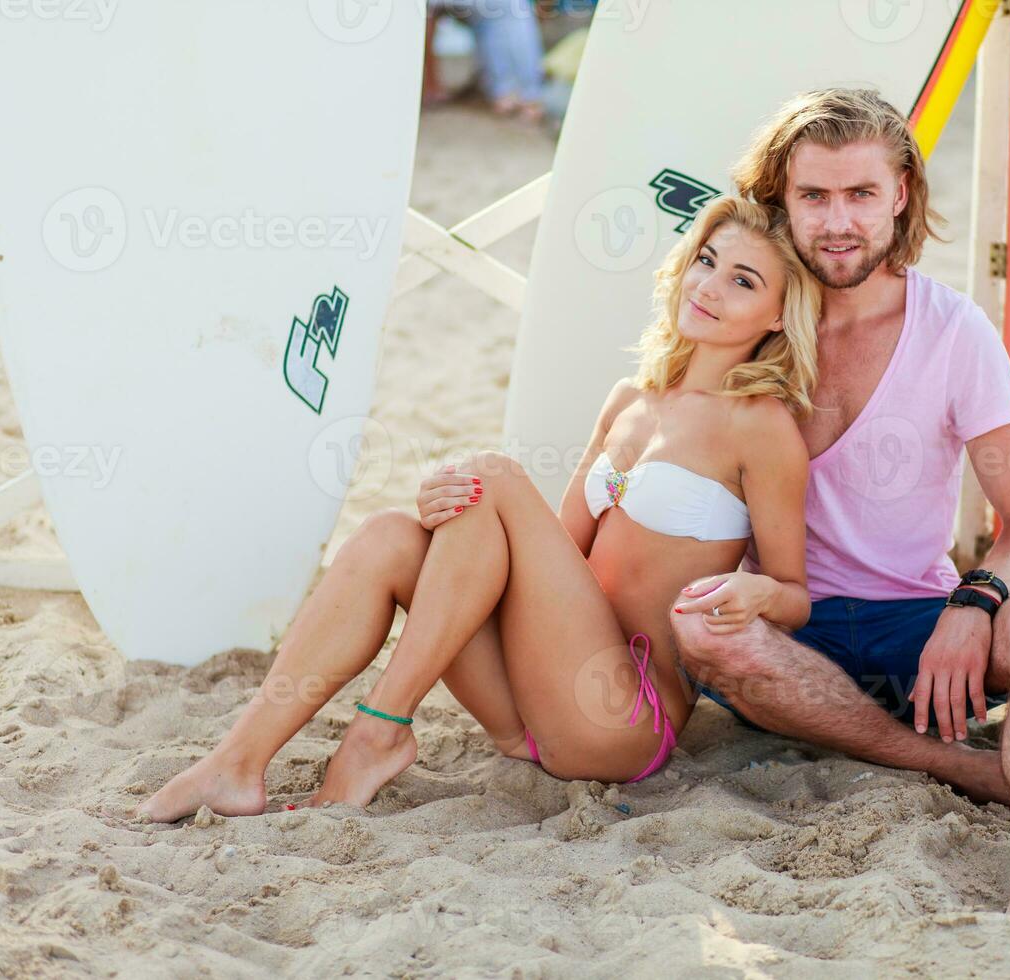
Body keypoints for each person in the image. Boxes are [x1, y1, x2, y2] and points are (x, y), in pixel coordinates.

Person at [138, 196, 823, 821]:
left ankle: (380, 729)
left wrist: (758, 589)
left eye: (743, 280)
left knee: (491, 477)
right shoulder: (629, 400)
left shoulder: (761, 430)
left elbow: (795, 596)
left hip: (617, 720)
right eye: (707, 261)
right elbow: (552, 555)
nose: (709, 285)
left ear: (775, 317)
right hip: (531, 700)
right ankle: (236, 764)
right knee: (390, 537)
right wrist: (447, 516)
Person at [668, 89, 1010, 930]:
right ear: (780, 199)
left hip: (918, 640)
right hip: (783, 643)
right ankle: (960, 768)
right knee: (701, 625)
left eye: (860, 194)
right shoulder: (751, 315)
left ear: (901, 195)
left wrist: (973, 603)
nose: (837, 221)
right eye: (813, 196)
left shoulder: (955, 333)